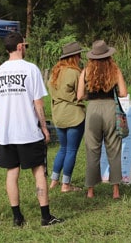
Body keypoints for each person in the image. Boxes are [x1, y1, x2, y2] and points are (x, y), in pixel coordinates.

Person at [0, 31, 62, 227]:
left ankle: (17, 217)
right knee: (38, 171)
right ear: (20, 47)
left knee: (12, 173)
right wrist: (44, 128)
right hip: (28, 131)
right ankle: (45, 216)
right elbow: (38, 103)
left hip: (6, 133)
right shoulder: (31, 69)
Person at [76, 40, 128, 200]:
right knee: (114, 149)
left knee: (92, 149)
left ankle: (91, 190)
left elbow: (79, 96)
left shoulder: (85, 71)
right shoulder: (115, 70)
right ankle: (116, 190)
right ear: (108, 55)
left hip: (93, 110)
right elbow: (124, 93)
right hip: (111, 108)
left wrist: (89, 96)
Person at [48, 42, 85, 193]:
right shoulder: (75, 72)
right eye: (79, 55)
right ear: (75, 56)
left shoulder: (55, 72)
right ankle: (66, 184)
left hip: (58, 115)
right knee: (71, 150)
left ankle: (54, 181)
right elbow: (81, 94)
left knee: (62, 149)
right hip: (74, 116)